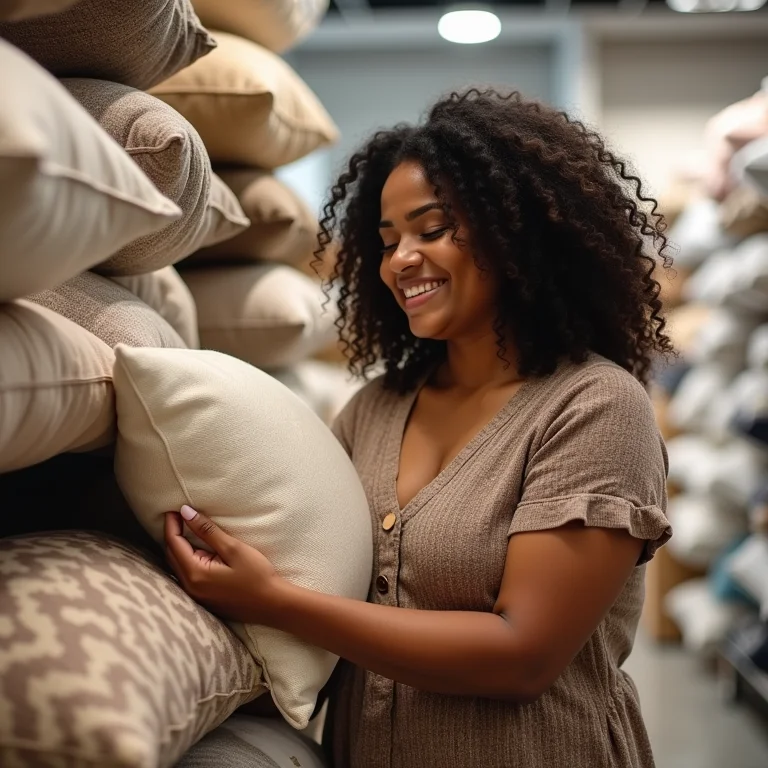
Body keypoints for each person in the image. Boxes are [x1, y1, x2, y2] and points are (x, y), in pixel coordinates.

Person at [164, 88, 674, 768]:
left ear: (517, 232)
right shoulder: (373, 409)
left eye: (431, 231)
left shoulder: (595, 408)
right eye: (386, 241)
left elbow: (522, 656)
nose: (400, 259)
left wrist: (273, 602)